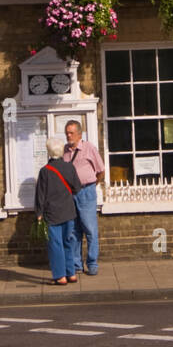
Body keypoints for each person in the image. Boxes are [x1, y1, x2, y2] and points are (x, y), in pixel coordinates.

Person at [34, 137, 83, 284]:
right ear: (61, 151)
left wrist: (39, 214)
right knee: (68, 242)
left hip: (52, 214)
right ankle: (71, 273)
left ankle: (60, 276)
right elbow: (77, 188)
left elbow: (40, 195)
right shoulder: (70, 167)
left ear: (49, 152)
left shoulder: (45, 171)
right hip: (69, 212)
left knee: (56, 245)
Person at [63, 118, 105, 276]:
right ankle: (76, 264)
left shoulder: (89, 148)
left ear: (79, 134)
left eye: (71, 133)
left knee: (90, 229)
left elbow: (101, 171)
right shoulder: (65, 151)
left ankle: (92, 263)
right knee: (74, 231)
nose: (68, 136)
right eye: (67, 133)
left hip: (86, 191)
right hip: (71, 193)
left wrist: (90, 186)